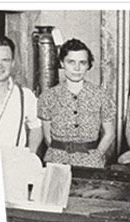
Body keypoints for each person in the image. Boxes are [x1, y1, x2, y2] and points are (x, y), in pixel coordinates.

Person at [38, 38, 115, 168]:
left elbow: (110, 133)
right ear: (62, 63)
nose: (77, 68)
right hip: (56, 161)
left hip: (90, 162)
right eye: (71, 62)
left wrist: (97, 155)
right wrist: (58, 154)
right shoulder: (48, 96)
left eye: (82, 62)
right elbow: (47, 136)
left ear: (88, 65)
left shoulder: (101, 95)